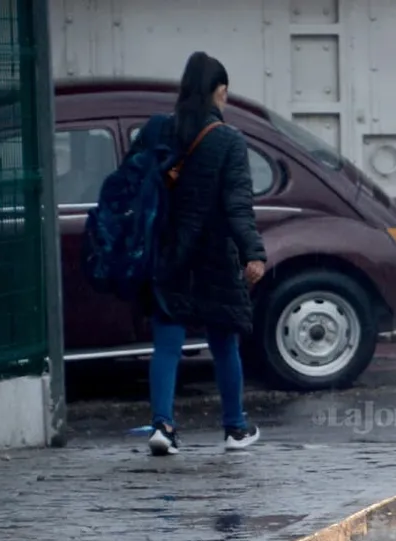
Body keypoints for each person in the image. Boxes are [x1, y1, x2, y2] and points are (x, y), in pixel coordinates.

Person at [139, 52, 267, 456]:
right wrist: (253, 253)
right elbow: (237, 204)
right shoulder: (228, 140)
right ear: (220, 91)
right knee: (224, 343)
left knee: (167, 344)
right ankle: (235, 428)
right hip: (214, 255)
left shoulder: (159, 130)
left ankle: (162, 425)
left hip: (169, 251)